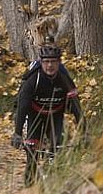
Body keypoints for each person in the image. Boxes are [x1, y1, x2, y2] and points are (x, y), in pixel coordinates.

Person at [11, 44, 84, 185]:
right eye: (46, 62)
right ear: (41, 62)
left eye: (53, 62)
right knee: (32, 157)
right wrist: (17, 133)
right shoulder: (33, 79)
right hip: (34, 116)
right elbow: (22, 107)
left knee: (57, 150)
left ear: (59, 63)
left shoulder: (64, 79)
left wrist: (84, 131)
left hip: (56, 116)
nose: (50, 65)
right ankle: (30, 191)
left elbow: (76, 108)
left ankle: (54, 184)